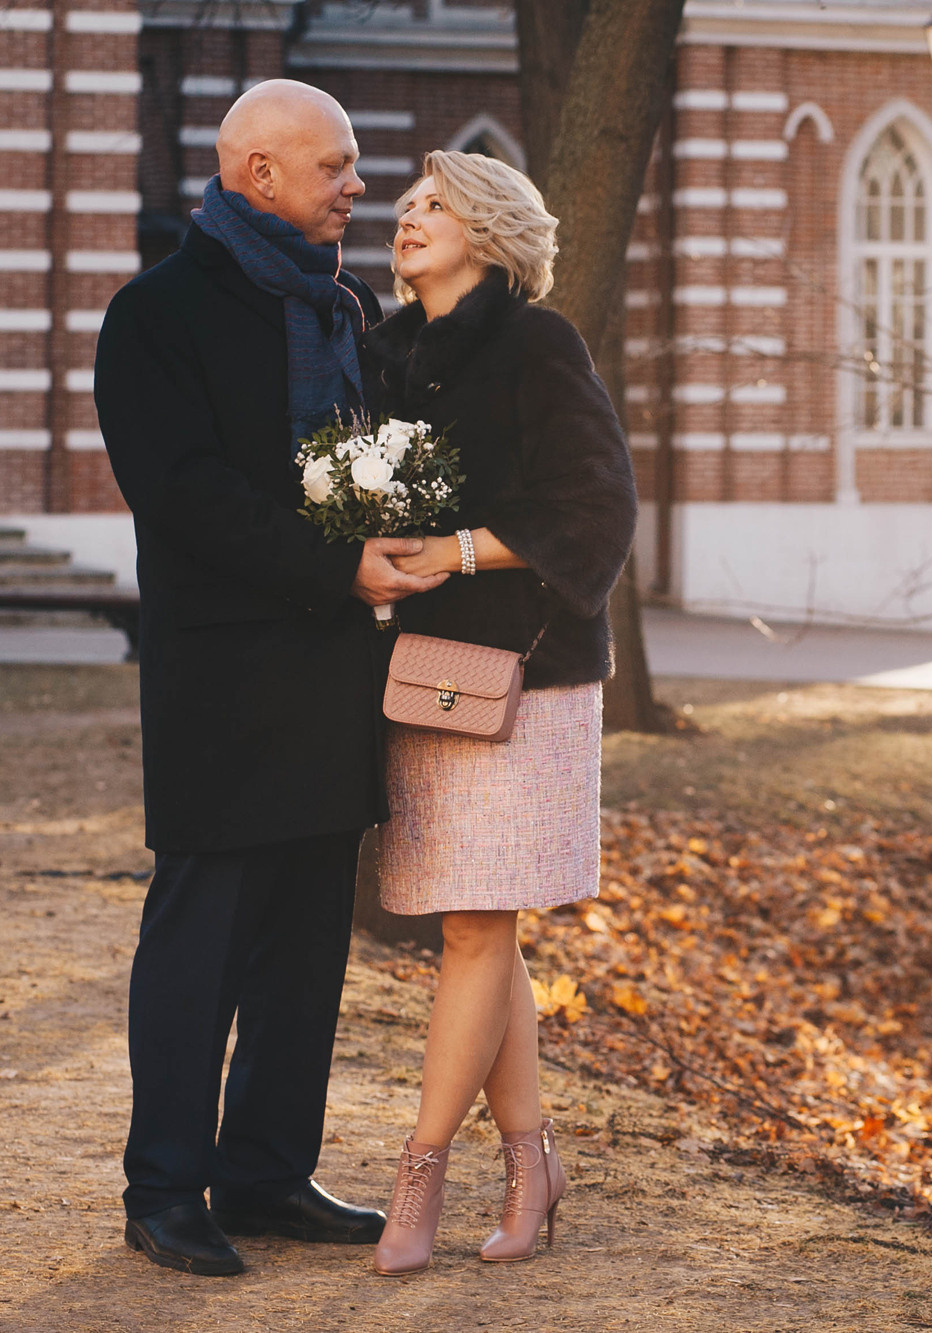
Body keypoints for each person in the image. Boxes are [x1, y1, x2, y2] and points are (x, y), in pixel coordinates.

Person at [93, 79, 447, 1277]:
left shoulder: (339, 308)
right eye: (336, 166)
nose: (358, 185)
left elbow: (351, 467)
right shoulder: (157, 314)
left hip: (331, 674)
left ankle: (265, 1172)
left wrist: (395, 538)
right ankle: (165, 1188)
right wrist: (342, 564)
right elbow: (188, 500)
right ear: (258, 176)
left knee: (304, 947)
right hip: (222, 685)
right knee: (200, 947)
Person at [360, 151, 636, 1276]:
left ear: (486, 229)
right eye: (405, 205)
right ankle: (534, 1162)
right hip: (416, 672)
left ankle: (417, 1176)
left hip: (528, 676)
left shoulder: (537, 342)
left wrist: (463, 547)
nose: (406, 218)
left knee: (477, 926)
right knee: (479, 925)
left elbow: (597, 502)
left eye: (432, 205)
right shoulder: (379, 351)